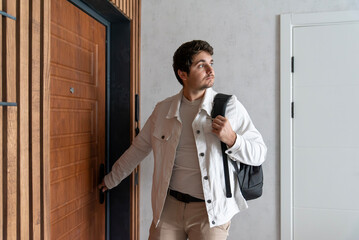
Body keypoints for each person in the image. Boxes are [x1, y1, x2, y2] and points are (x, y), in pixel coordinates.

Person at [98, 40, 267, 240]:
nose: (210, 70)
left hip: (210, 214)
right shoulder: (163, 110)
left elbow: (259, 153)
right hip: (168, 209)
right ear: (183, 74)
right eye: (201, 65)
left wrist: (233, 140)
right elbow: (138, 149)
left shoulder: (229, 107)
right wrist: (110, 180)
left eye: (211, 63)